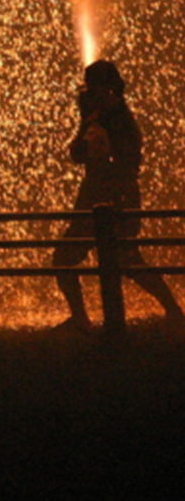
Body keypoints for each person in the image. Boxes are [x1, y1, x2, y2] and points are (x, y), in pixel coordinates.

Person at [52, 60, 184, 331]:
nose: (90, 93)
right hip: (94, 195)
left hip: (115, 196)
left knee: (125, 259)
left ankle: (170, 312)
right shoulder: (96, 116)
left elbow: (127, 161)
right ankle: (83, 318)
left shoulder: (120, 120)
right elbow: (78, 154)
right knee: (67, 257)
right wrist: (85, 127)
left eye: (95, 87)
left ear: (109, 88)